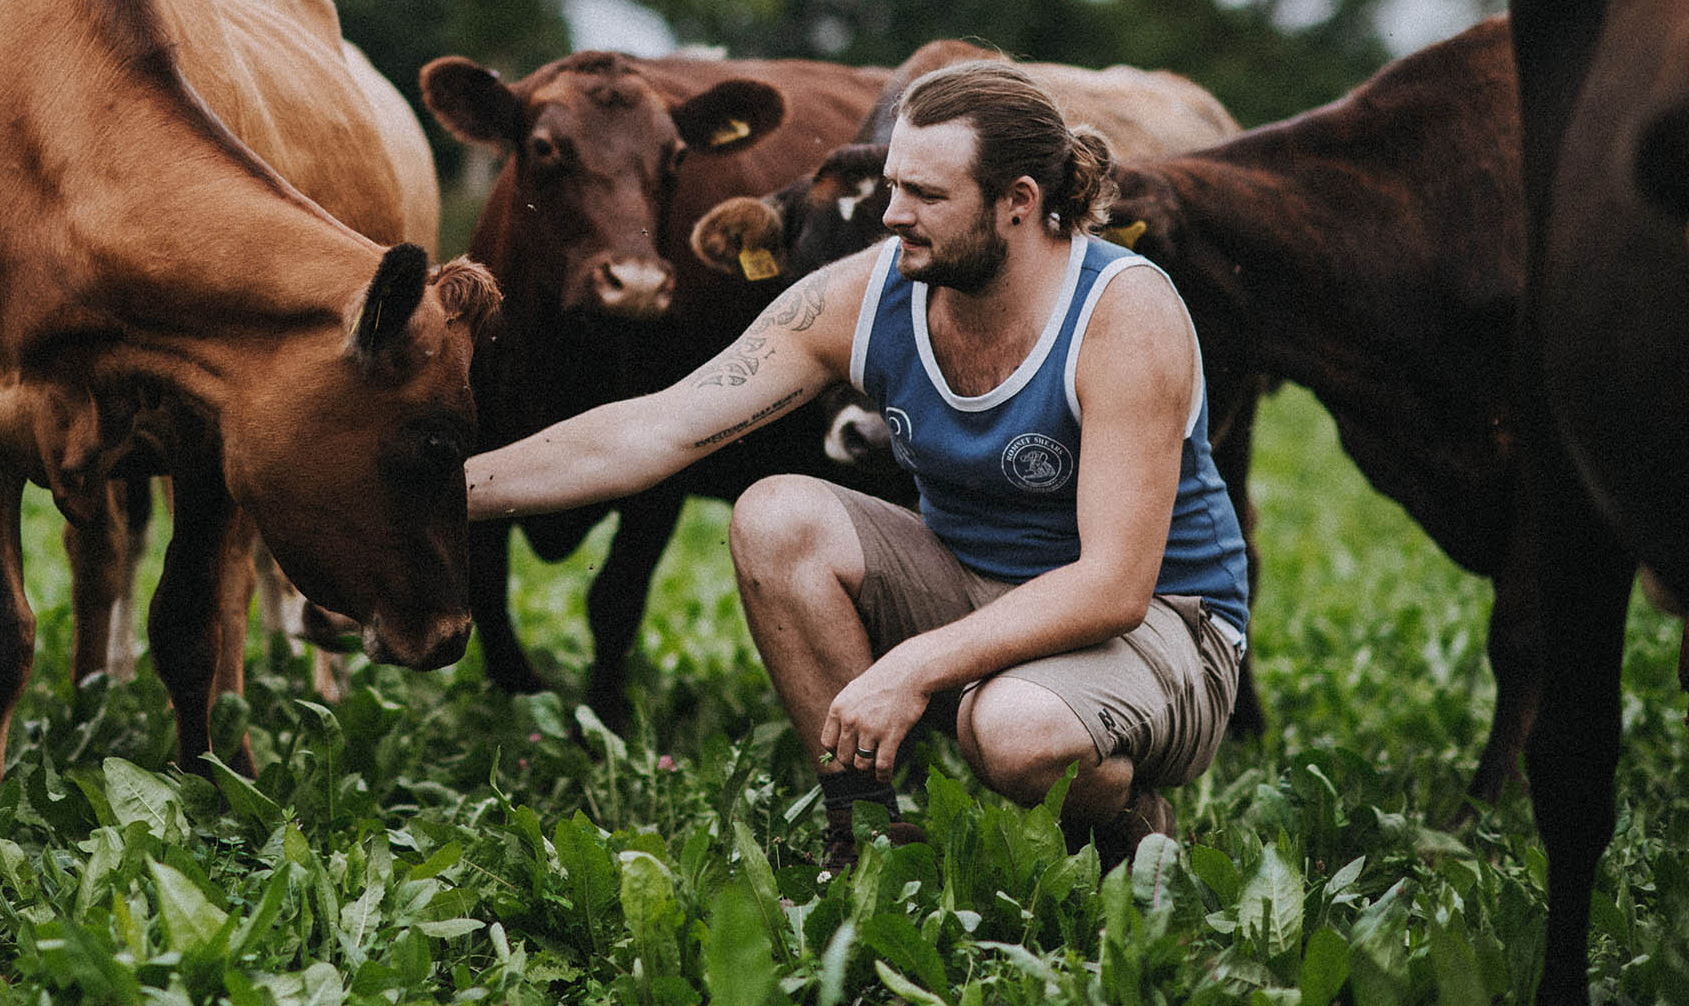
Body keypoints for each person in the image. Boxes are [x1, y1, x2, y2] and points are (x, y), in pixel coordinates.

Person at [465, 59, 1249, 869]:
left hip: (1165, 628)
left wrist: (909, 666)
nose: (893, 215)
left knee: (1014, 732)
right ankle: (870, 838)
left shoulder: (1122, 312)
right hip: (979, 583)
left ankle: (1124, 826)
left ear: (1019, 202)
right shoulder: (867, 293)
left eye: (927, 197)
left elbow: (1114, 586)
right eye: (894, 185)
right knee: (776, 516)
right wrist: (445, 493)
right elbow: (653, 432)